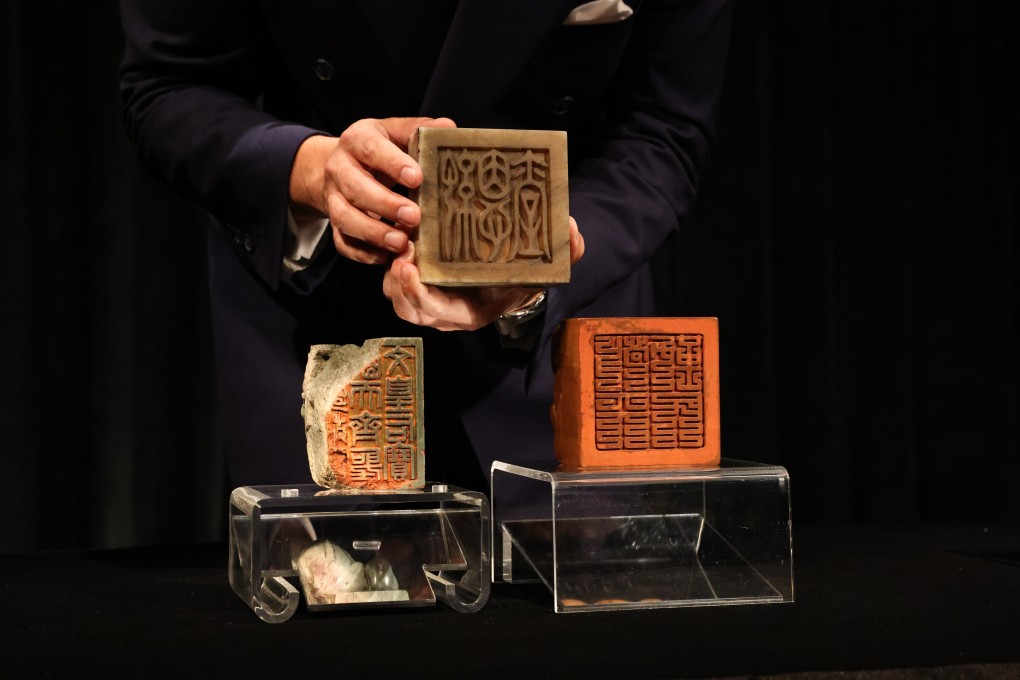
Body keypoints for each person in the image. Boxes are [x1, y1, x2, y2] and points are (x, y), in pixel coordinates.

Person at [119, 0, 733, 490]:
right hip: (314, 332)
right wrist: (315, 171)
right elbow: (170, 85)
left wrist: (540, 263)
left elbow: (663, 127)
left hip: (560, 343)